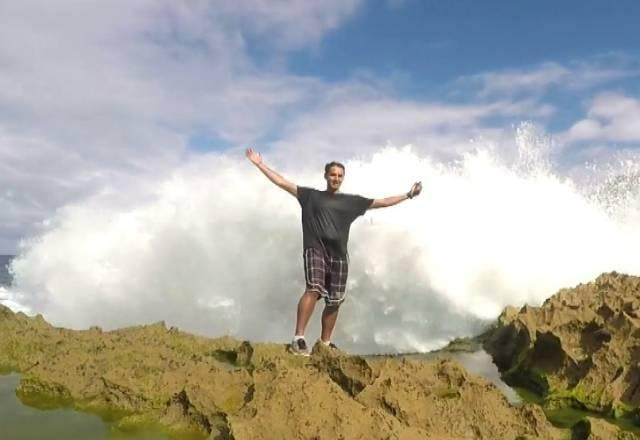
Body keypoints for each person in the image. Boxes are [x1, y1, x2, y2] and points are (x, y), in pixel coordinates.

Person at [245, 148, 422, 355]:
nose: (336, 178)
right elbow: (282, 182)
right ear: (326, 176)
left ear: (343, 178)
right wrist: (259, 164)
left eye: (339, 175)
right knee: (314, 288)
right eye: (332, 174)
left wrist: (408, 195)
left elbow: (382, 202)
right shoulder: (310, 196)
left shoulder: (352, 202)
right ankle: (299, 338)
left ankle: (325, 344)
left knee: (335, 300)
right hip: (315, 250)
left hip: (339, 256)